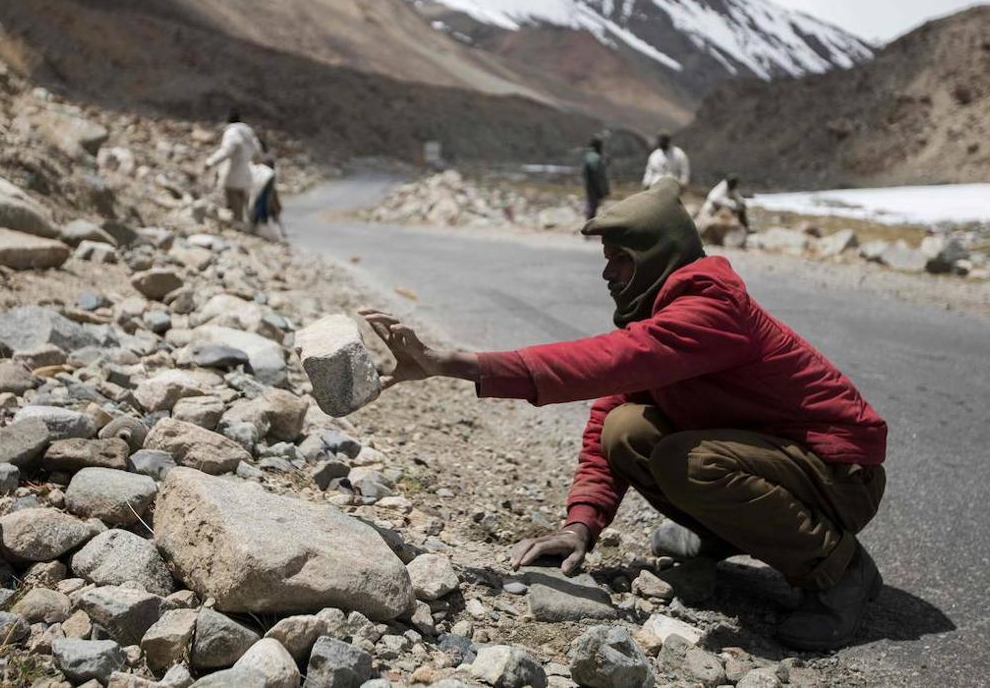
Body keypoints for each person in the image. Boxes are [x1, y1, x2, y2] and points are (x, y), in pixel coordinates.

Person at [360, 178, 888, 651]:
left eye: (621, 259)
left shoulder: (710, 308)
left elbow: (603, 363)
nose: (608, 274)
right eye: (606, 259)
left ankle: (840, 570)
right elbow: (609, 407)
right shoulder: (663, 312)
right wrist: (581, 525)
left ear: (659, 254)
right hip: (778, 460)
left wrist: (454, 363)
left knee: (689, 460)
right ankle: (728, 533)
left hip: (839, 477)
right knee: (626, 430)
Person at [205, 108, 260, 227]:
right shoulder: (248, 133)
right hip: (247, 172)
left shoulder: (232, 132)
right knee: (245, 201)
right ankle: (248, 224)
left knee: (234, 198)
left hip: (234, 172)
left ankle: (239, 224)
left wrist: (211, 161)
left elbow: (226, 150)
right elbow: (257, 151)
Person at [248, 147, 286, 241]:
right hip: (265, 186)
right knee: (267, 210)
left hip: (263, 186)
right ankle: (280, 233)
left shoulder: (261, 165)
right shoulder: (268, 167)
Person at [581, 136, 610, 221]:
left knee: (592, 206)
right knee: (592, 206)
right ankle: (589, 227)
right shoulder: (595, 157)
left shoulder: (591, 156)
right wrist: (600, 189)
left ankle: (589, 226)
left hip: (590, 186)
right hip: (594, 187)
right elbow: (596, 173)